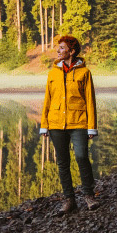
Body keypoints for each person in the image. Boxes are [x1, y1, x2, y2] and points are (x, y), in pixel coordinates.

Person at [40, 34, 98, 213]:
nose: (58, 50)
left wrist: (92, 126)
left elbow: (90, 100)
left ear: (72, 51)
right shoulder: (52, 74)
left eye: (62, 48)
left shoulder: (85, 73)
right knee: (62, 162)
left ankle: (88, 195)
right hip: (56, 123)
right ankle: (69, 200)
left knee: (81, 157)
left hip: (78, 122)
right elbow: (47, 100)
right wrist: (44, 125)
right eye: (58, 48)